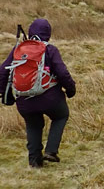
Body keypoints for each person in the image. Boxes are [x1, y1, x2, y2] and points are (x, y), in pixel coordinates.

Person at [0, 19, 76, 168]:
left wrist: (4, 93)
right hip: (50, 98)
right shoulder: (50, 49)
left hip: (24, 101)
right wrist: (71, 89)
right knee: (61, 116)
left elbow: (3, 71)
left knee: (33, 125)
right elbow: (62, 72)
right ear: (48, 33)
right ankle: (51, 151)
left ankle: (34, 162)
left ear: (30, 32)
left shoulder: (18, 49)